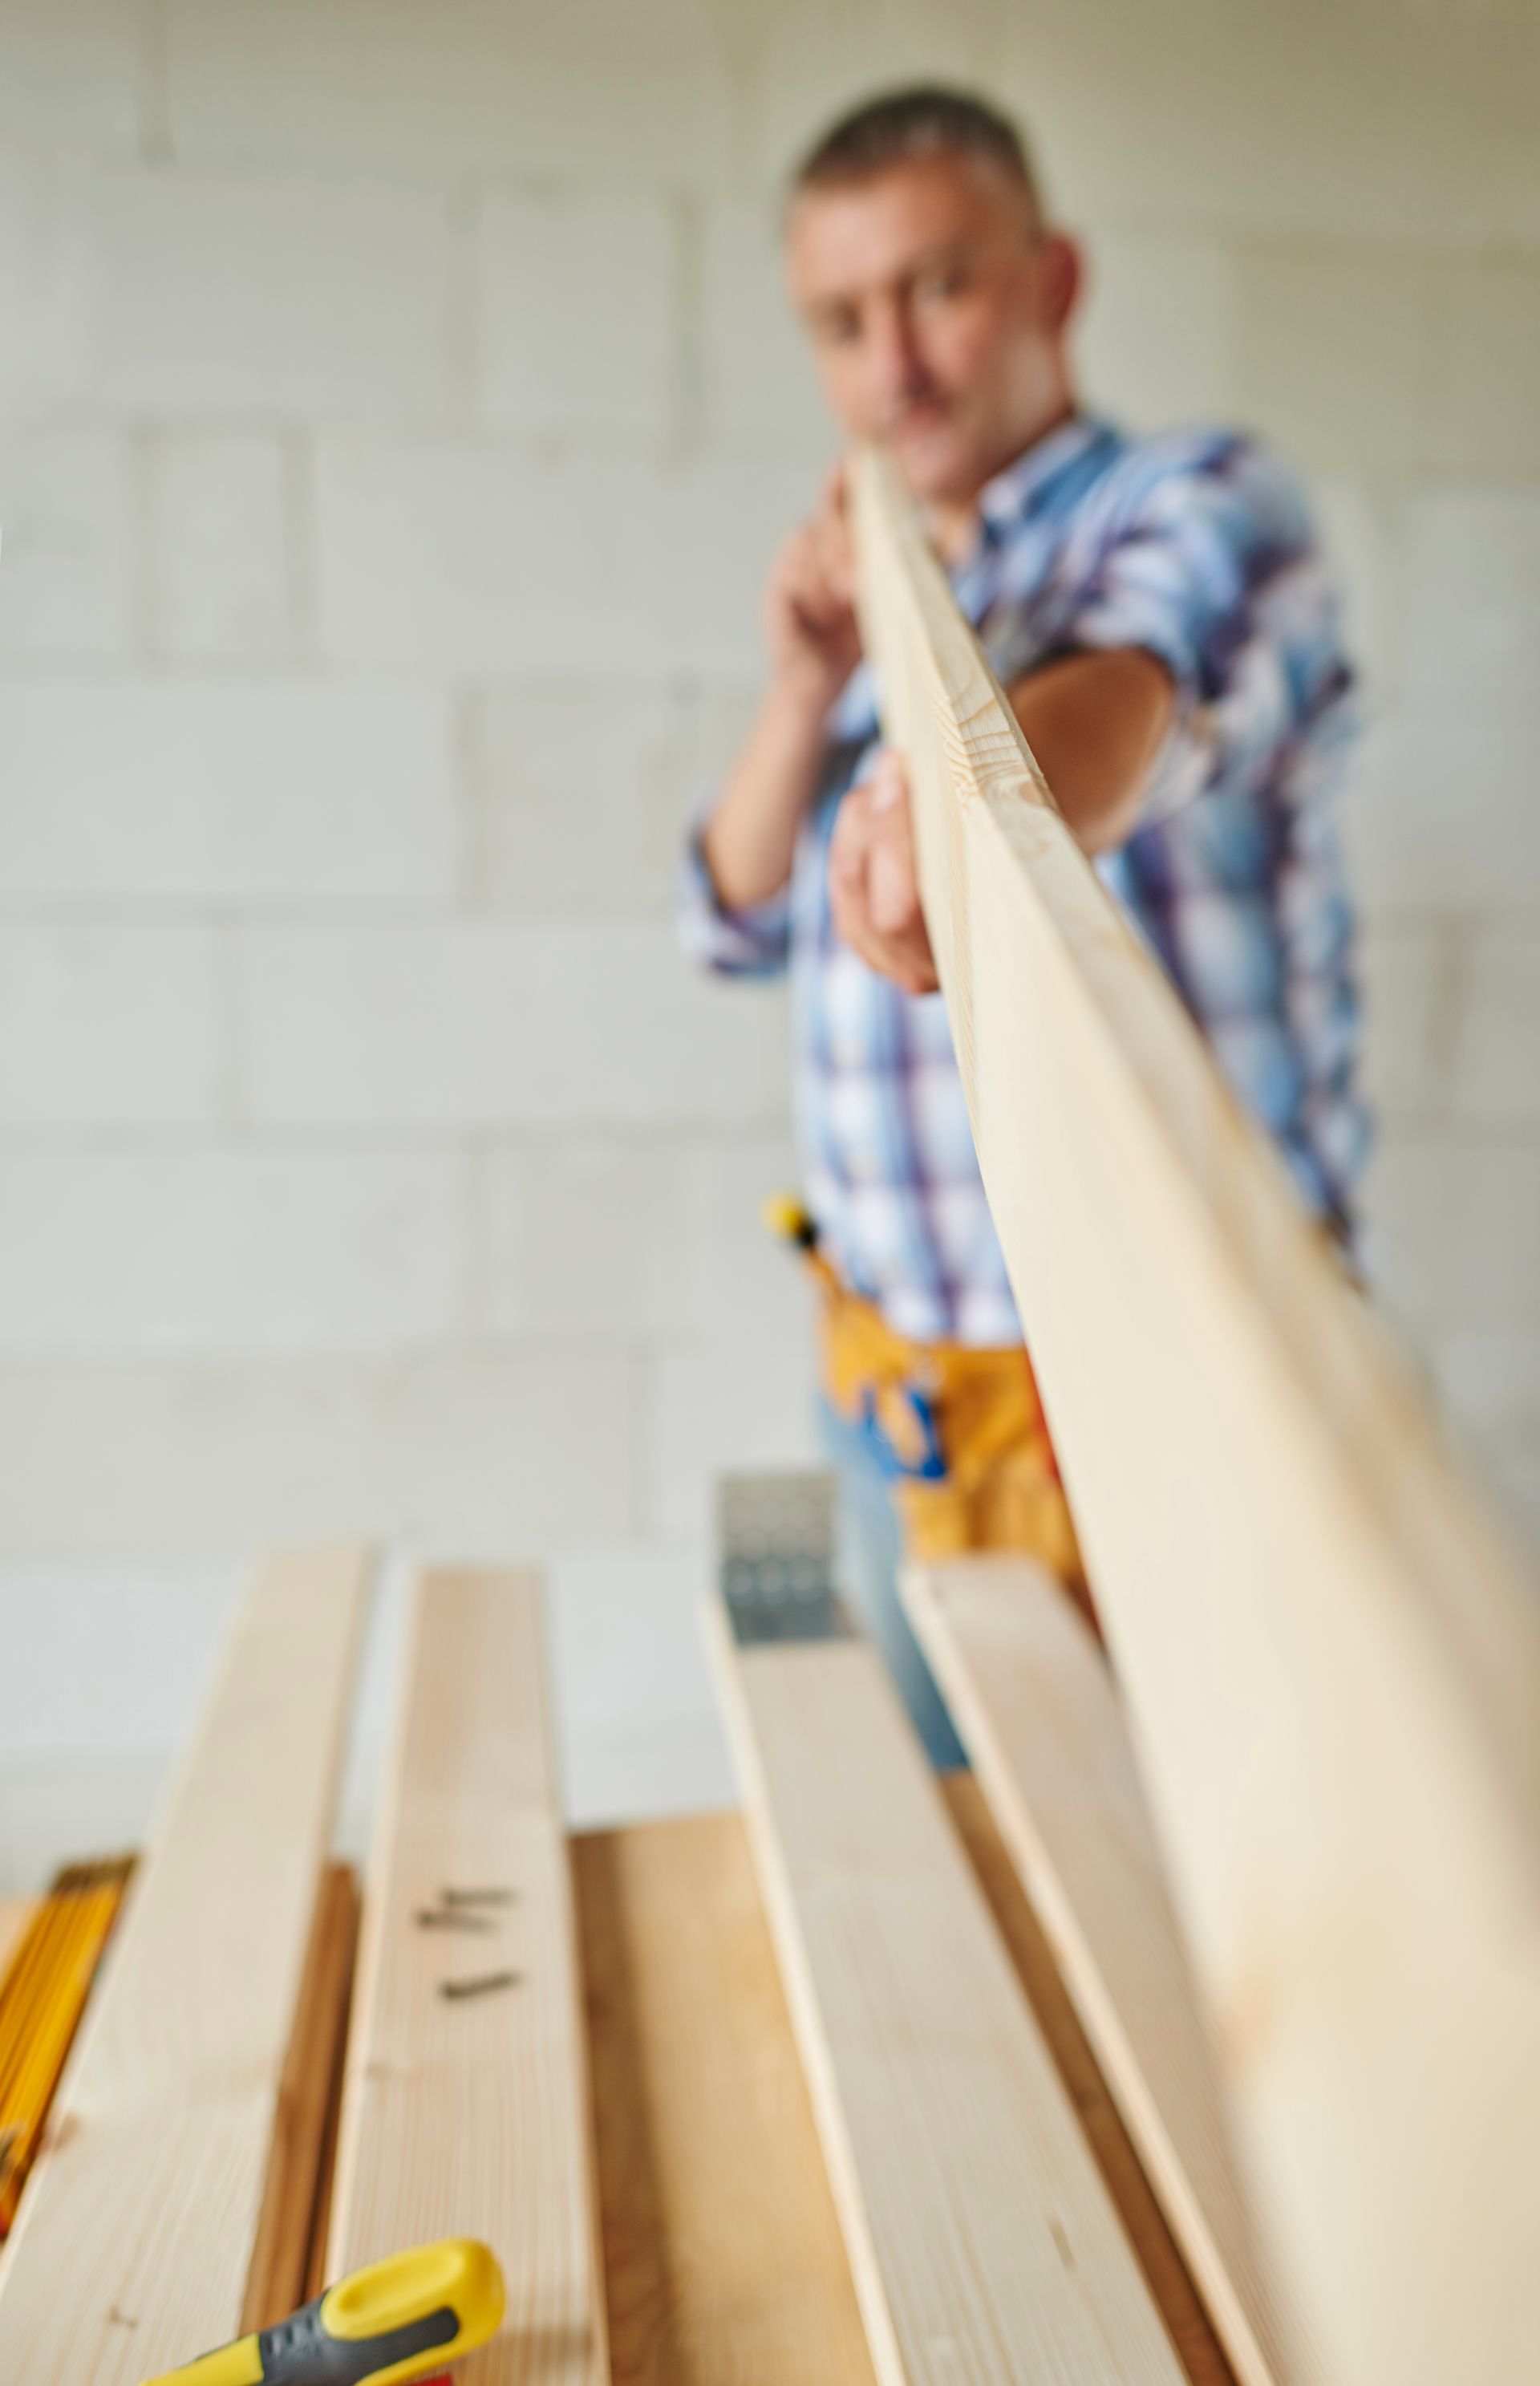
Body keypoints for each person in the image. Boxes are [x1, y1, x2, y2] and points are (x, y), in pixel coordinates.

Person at [679, 85, 1368, 1766]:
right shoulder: (883, 576)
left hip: (1183, 1376)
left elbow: (1141, 687)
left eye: (939, 287)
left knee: (1231, 1885)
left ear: (1054, 279)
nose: (891, 366)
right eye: (841, 323)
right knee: (962, 1868)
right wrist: (801, 696)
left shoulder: (1200, 504)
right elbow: (730, 920)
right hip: (902, 1393)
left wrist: (980, 808)